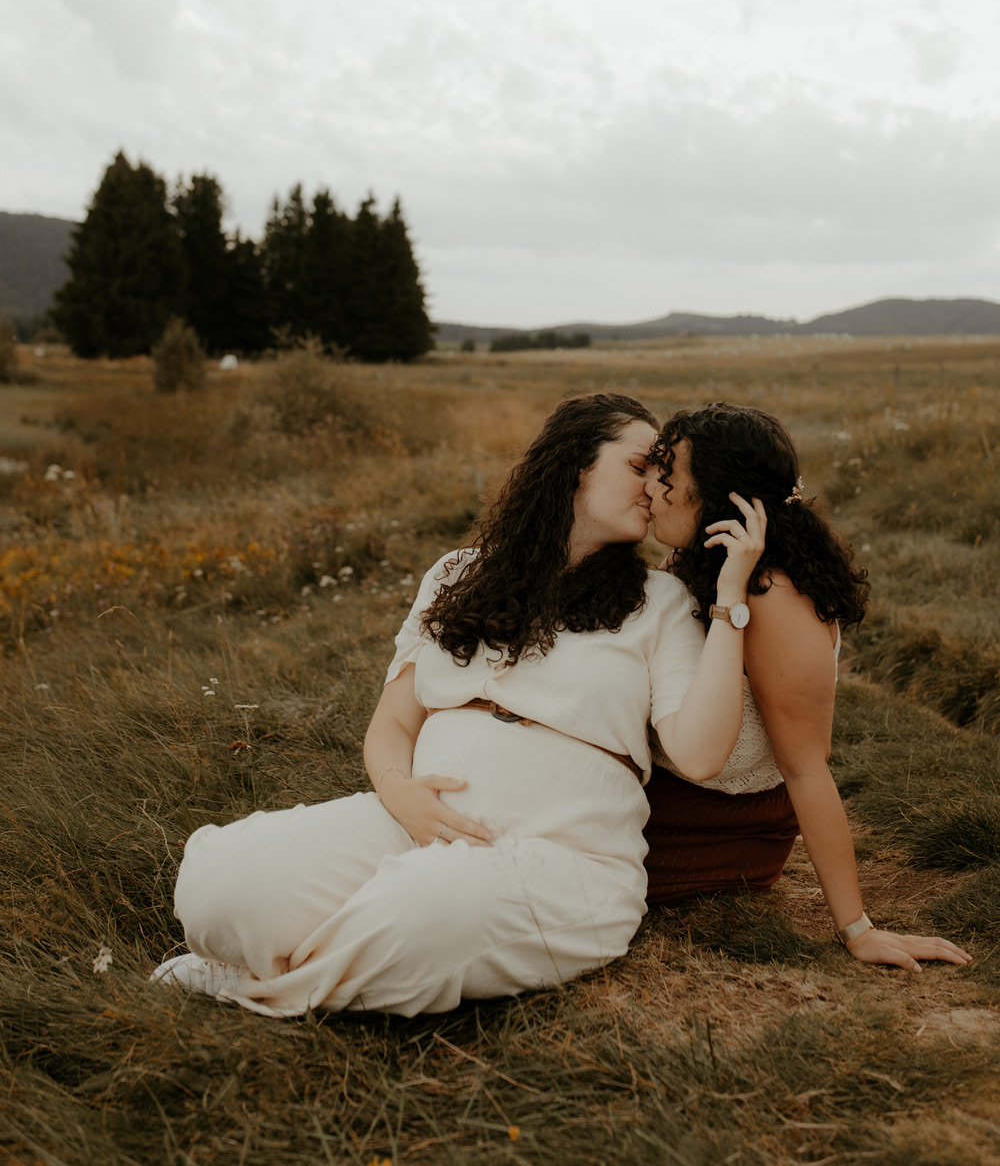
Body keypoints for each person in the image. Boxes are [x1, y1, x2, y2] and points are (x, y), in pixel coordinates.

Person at [151, 392, 766, 1016]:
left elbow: (702, 751)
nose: (654, 488)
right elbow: (393, 723)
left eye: (663, 474)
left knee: (427, 911)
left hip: (563, 860)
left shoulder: (658, 600)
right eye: (639, 466)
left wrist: (729, 597)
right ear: (576, 464)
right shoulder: (457, 573)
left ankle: (250, 980)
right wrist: (399, 793)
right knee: (221, 883)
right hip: (413, 825)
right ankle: (327, 955)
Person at [642, 401, 972, 973]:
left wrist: (857, 928)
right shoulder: (701, 562)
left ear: (721, 502)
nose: (653, 489)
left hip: (721, 820)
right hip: (666, 787)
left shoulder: (774, 599)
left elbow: (807, 767)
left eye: (670, 478)